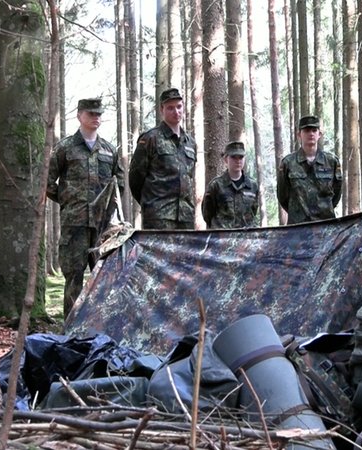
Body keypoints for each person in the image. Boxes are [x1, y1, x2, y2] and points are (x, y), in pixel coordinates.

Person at [47, 98, 125, 318]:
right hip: (75, 224)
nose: (96, 117)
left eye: (98, 114)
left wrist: (108, 208)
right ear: (79, 116)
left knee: (104, 276)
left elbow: (119, 183)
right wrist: (68, 201)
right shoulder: (64, 148)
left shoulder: (109, 150)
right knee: (74, 275)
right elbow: (47, 182)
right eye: (91, 113)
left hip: (102, 227)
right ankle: (72, 325)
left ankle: (101, 323)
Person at [129, 87, 197, 230]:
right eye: (170, 108)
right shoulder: (150, 139)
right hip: (158, 216)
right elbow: (135, 178)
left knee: (184, 253)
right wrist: (152, 204)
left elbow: (189, 178)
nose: (176, 112)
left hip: (185, 217)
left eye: (179, 107)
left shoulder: (190, 143)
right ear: (162, 110)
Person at [277, 116, 343, 224]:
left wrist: (324, 210)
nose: (311, 134)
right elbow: (282, 196)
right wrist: (297, 212)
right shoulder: (288, 163)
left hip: (326, 226)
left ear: (319, 134)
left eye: (314, 130)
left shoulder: (332, 161)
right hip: (298, 227)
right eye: (307, 130)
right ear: (299, 135)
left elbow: (336, 193)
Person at [202, 141, 260, 229]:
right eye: (233, 157)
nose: (238, 161)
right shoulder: (216, 185)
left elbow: (253, 211)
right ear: (226, 159)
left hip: (247, 238)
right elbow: (207, 214)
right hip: (223, 237)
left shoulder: (252, 185)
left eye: (241, 157)